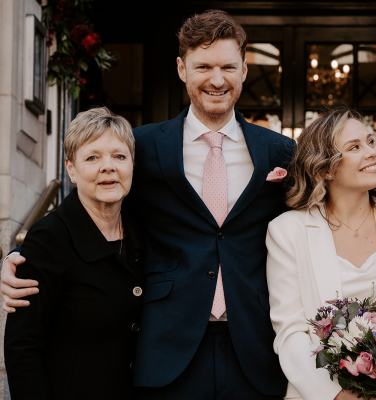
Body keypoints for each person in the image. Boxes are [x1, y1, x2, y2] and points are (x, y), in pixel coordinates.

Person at [2, 10, 294, 399]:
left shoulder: (280, 151)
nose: (217, 79)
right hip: (167, 351)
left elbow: (311, 223)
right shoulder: (142, 147)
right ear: (181, 68)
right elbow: (94, 208)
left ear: (244, 69)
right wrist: (24, 256)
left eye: (228, 66)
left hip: (255, 348)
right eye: (203, 66)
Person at [3, 107, 143, 399]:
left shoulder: (143, 229)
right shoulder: (48, 238)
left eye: (119, 156)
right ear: (71, 168)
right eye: (92, 157)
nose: (108, 167)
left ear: (132, 164)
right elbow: (23, 348)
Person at [266, 108, 376, 400]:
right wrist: (336, 395)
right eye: (355, 147)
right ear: (325, 168)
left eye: (370, 141)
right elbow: (290, 332)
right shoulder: (287, 231)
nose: (372, 153)